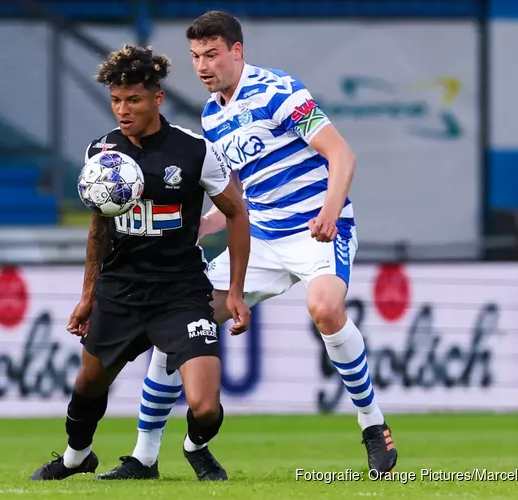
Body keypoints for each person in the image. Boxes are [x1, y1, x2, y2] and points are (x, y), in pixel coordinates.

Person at [97, 11, 398, 480]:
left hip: (316, 228)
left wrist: (330, 210)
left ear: (237, 51)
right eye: (196, 56)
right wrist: (196, 225)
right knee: (179, 320)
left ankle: (371, 423)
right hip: (262, 237)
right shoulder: (212, 115)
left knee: (325, 309)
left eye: (211, 54)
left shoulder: (279, 91)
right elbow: (238, 196)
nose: (202, 65)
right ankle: (145, 456)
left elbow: (341, 153)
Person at [29, 44, 251, 482]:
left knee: (205, 407)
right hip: (121, 289)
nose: (122, 110)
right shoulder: (103, 152)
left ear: (157, 98)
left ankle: (195, 445)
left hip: (180, 291)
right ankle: (78, 456)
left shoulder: (193, 151)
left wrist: (237, 291)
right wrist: (87, 295)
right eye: (116, 100)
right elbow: (99, 230)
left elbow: (236, 212)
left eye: (133, 99)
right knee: (87, 386)